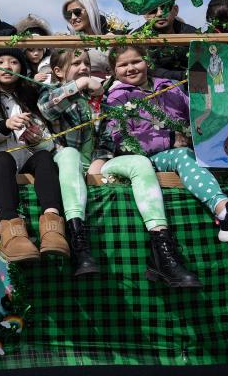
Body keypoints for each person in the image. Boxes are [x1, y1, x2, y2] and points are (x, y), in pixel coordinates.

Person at [38, 48, 199, 286]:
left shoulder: (99, 98)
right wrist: (80, 84)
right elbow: (47, 109)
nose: (83, 68)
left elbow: (107, 134)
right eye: (75, 64)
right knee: (70, 154)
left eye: (86, 63)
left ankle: (163, 251)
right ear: (58, 71)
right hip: (65, 161)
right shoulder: (52, 91)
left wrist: (100, 159)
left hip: (97, 163)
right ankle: (79, 243)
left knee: (140, 162)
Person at [106, 45, 228, 243]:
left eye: (135, 61)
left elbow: (195, 112)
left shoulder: (169, 86)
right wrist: (170, 139)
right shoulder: (118, 97)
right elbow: (122, 139)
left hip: (187, 149)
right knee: (182, 155)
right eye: (123, 65)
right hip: (148, 160)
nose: (130, 68)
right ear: (114, 70)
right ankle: (225, 212)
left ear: (147, 62)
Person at [0, 48, 68, 262]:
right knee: (3, 160)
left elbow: (49, 140)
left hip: (29, 154)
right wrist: (5, 125)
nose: (7, 66)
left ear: (22, 68)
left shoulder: (31, 95)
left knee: (45, 159)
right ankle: (12, 230)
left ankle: (52, 227)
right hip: (0, 156)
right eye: (0, 61)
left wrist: (38, 138)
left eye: (14, 62)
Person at [130, 0, 199, 82]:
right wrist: (182, 76)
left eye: (165, 8)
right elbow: (144, 68)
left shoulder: (192, 33)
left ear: (176, 10)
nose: (160, 14)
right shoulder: (136, 39)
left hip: (192, 83)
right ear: (145, 14)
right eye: (153, 10)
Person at [60, 0, 112, 79]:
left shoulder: (112, 38)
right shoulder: (68, 43)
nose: (73, 18)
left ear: (90, 10)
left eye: (77, 12)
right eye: (68, 14)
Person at [14, 14, 53, 83]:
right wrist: (32, 81)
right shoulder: (20, 66)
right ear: (24, 51)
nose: (36, 53)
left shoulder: (51, 62)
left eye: (40, 49)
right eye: (31, 49)